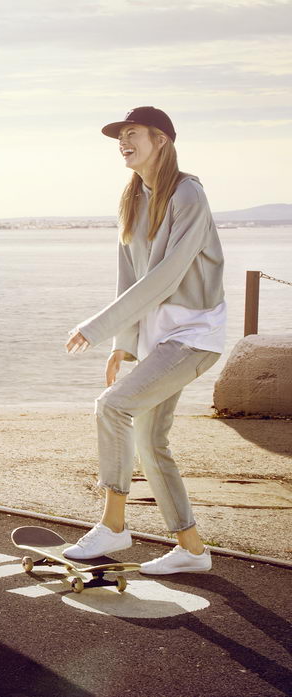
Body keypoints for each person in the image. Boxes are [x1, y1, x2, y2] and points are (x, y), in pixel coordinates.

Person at [64, 106, 225, 575]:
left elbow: (167, 275)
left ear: (162, 140)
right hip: (159, 340)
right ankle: (192, 550)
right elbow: (129, 276)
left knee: (113, 407)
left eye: (133, 133)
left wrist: (95, 327)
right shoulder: (133, 198)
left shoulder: (188, 193)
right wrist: (123, 342)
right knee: (151, 441)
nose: (123, 142)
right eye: (121, 136)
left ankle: (113, 524)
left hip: (193, 335)